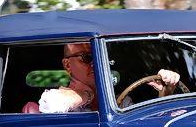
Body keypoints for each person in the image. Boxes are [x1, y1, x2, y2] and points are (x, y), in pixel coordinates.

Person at [38, 42, 181, 113]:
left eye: (99, 57)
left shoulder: (120, 102)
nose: (95, 63)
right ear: (68, 65)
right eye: (87, 57)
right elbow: (53, 105)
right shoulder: (56, 97)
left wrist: (165, 94)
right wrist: (88, 94)